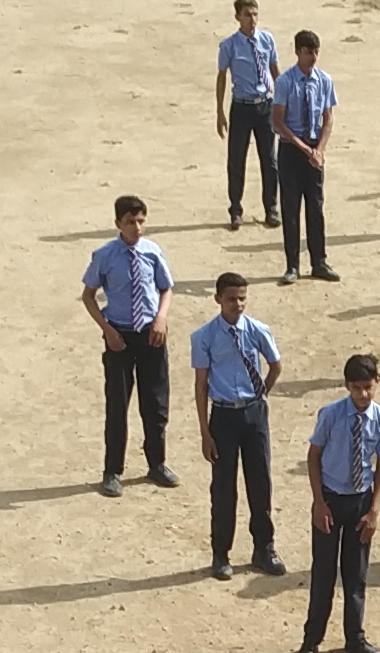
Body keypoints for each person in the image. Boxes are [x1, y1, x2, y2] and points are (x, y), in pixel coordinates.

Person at [297, 354, 380, 653]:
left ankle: (354, 637)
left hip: (360, 501)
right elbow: (313, 456)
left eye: (368, 387)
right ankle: (311, 641)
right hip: (330, 498)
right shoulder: (331, 415)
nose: (363, 394)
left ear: (377, 383)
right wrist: (318, 502)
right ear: (346, 386)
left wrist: (374, 510)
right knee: (323, 574)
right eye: (356, 388)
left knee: (356, 575)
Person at [189, 272, 287, 580]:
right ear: (218, 299)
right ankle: (221, 553)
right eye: (231, 298)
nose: (238, 304)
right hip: (223, 415)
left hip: (253, 413)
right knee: (223, 487)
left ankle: (264, 548)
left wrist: (261, 394)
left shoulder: (257, 330)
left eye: (242, 298)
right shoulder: (204, 337)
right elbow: (201, 385)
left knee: (260, 482)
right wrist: (205, 432)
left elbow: (275, 365)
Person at [79, 194, 179, 496]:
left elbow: (166, 289)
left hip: (150, 335)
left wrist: (161, 319)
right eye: (130, 222)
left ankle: (157, 463)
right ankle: (112, 471)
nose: (137, 227)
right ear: (118, 223)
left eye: (141, 221)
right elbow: (88, 296)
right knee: (117, 405)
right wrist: (107, 330)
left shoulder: (152, 252)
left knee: (155, 403)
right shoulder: (105, 255)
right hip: (119, 337)